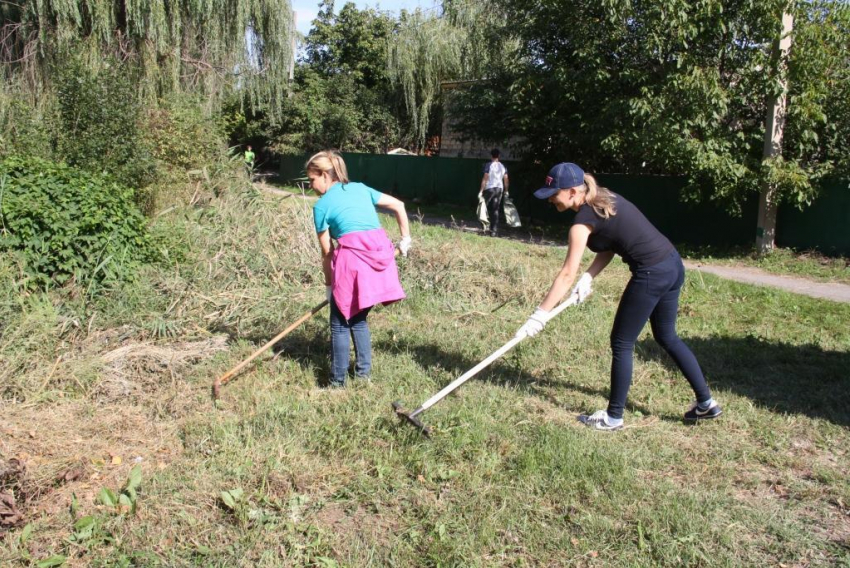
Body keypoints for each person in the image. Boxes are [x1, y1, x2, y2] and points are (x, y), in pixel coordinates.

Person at [516, 162, 721, 430]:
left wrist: (539, 314)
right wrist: (589, 276)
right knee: (667, 336)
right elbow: (611, 242)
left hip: (651, 273)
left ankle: (613, 417)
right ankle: (706, 403)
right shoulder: (603, 198)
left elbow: (566, 274)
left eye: (554, 193)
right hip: (671, 264)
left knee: (622, 342)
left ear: (572, 192)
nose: (550, 199)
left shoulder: (580, 224)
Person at [306, 150, 412, 387]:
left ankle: (337, 383)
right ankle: (363, 376)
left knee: (340, 324)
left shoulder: (321, 206)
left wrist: (329, 286)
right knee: (358, 319)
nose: (312, 186)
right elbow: (399, 205)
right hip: (378, 260)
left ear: (324, 175)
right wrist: (405, 240)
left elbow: (328, 253)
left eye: (312, 180)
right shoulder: (361, 188)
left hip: (352, 263)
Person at [478, 148, 509, 237]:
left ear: (491, 155)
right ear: (499, 156)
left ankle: (483, 229)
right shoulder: (503, 166)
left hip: (490, 189)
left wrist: (481, 191)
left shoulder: (488, 165)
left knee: (483, 207)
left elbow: (485, 178)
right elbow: (506, 180)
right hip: (499, 189)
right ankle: (493, 231)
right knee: (495, 210)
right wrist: (506, 191)